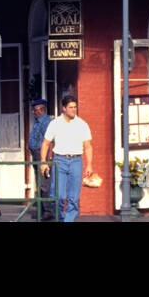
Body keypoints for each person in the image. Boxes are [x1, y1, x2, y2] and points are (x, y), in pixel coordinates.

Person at [40, 95, 95, 223]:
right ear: (64, 108)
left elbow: (88, 146)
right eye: (71, 107)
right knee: (58, 196)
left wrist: (89, 165)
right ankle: (60, 218)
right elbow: (45, 143)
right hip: (60, 161)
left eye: (75, 107)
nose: (74, 110)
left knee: (73, 198)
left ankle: (68, 220)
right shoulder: (55, 123)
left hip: (76, 161)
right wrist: (43, 162)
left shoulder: (82, 124)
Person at [27, 98, 54, 219]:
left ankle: (47, 211)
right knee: (40, 182)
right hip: (36, 154)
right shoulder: (39, 121)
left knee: (44, 183)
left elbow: (50, 142)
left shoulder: (46, 122)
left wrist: (47, 160)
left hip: (41, 155)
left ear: (42, 110)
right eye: (33, 110)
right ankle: (42, 210)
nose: (33, 112)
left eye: (35, 110)